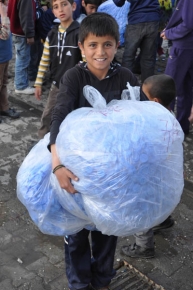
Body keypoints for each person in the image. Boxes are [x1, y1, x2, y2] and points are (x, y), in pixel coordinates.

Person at [49, 12, 139, 290]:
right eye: (93, 45)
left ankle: (102, 280)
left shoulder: (126, 76)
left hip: (112, 175)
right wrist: (57, 165)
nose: (101, 52)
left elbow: (139, 122)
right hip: (77, 173)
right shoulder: (74, 77)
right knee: (75, 234)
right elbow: (59, 116)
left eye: (108, 44)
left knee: (107, 231)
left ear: (117, 44)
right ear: (82, 46)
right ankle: (79, 283)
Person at [121, 74, 176, 259]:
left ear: (154, 100)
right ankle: (163, 220)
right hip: (164, 175)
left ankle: (144, 247)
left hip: (147, 177)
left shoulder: (151, 122)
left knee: (141, 210)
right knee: (160, 200)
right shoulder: (170, 116)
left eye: (144, 96)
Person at [34, 0, 82, 139]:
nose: (60, 9)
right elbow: (45, 59)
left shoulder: (80, 33)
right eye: (56, 7)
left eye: (64, 4)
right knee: (48, 115)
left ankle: (68, 142)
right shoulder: (52, 34)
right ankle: (42, 142)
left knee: (72, 116)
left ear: (73, 6)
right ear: (53, 12)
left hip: (75, 87)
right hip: (56, 85)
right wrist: (38, 82)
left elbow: (86, 62)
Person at [161, 0, 193, 135]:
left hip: (183, 44)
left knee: (168, 87)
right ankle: (182, 126)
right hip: (188, 45)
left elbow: (188, 24)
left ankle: (166, 127)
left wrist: (169, 33)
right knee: (186, 88)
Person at [113, 0, 160, 82]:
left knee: (129, 56)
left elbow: (118, 2)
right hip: (153, 19)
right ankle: (147, 89)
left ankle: (125, 84)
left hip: (136, 20)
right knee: (148, 58)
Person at [7, 0, 36, 95]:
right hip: (22, 33)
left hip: (17, 32)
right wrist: (30, 34)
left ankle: (20, 82)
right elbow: (26, 17)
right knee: (23, 59)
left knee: (21, 58)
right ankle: (20, 85)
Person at [0, 0, 20, 123]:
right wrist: (3, 16)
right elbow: (4, 35)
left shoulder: (4, 8)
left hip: (5, 56)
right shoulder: (2, 11)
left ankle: (4, 107)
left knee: (4, 84)